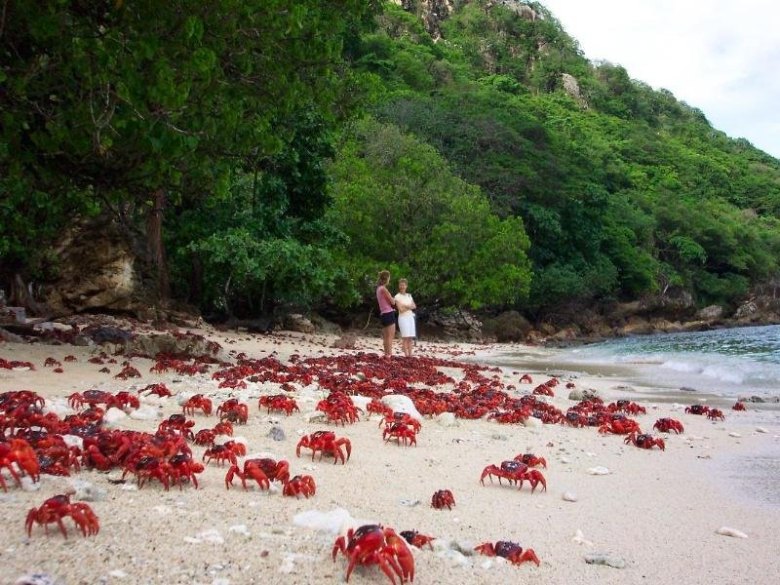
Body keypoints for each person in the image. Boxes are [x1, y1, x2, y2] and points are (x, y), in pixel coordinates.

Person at [394, 278, 417, 357]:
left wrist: (406, 306)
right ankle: (406, 354)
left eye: (403, 285)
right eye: (400, 285)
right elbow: (400, 309)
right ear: (399, 286)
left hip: (410, 317)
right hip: (403, 318)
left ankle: (410, 354)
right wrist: (408, 306)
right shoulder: (397, 296)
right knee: (405, 337)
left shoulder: (409, 295)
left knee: (410, 337)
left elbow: (414, 306)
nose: (402, 287)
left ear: (406, 286)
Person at [376, 270, 396, 357]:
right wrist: (394, 298)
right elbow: (393, 302)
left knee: (386, 336)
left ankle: (386, 354)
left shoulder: (378, 289)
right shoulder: (384, 289)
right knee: (390, 337)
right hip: (389, 313)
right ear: (387, 279)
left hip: (383, 314)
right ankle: (389, 355)